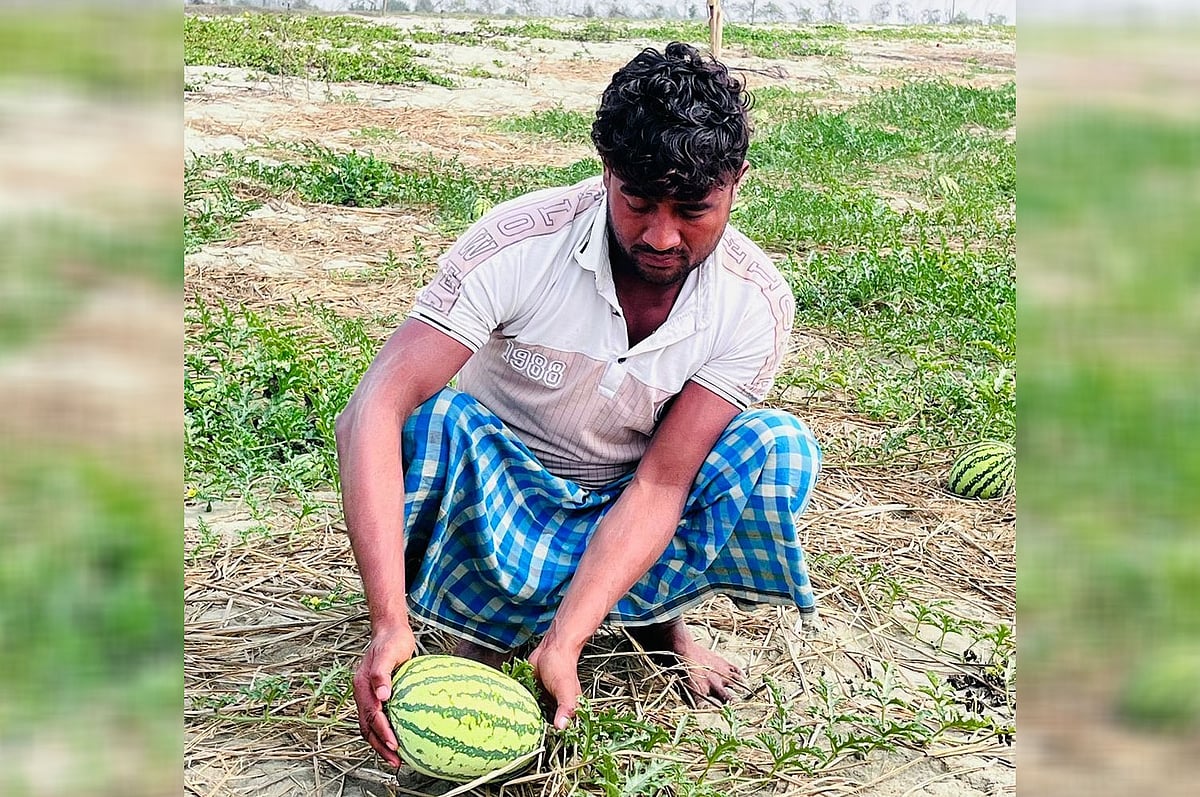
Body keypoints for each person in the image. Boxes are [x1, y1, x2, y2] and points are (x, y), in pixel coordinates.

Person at [336, 42, 822, 768]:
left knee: (775, 447)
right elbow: (371, 408)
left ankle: (654, 622)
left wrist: (566, 642)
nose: (661, 236)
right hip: (503, 499)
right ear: (605, 171)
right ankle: (481, 629)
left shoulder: (753, 304)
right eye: (637, 202)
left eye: (693, 210)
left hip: (626, 502)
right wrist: (386, 619)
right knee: (433, 421)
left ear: (737, 183)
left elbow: (660, 484)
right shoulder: (519, 245)